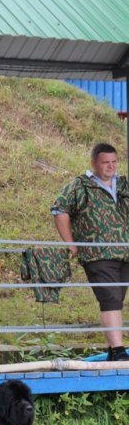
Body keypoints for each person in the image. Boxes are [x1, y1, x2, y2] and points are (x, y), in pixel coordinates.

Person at [51, 142, 129, 362]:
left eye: (114, 162)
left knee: (115, 300)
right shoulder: (80, 185)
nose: (111, 166)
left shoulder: (123, 185)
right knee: (111, 299)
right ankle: (119, 350)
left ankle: (115, 350)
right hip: (97, 254)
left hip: (125, 253)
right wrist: (71, 244)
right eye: (105, 162)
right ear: (94, 162)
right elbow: (60, 210)